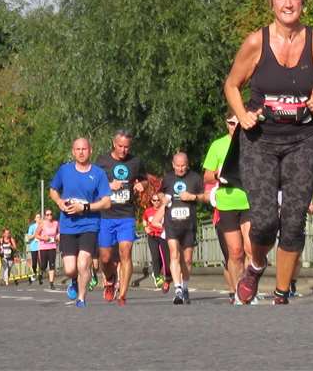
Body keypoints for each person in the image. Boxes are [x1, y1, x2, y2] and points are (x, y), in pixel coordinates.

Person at [224, 0, 313, 305]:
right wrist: (242, 114)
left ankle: (281, 294)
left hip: (302, 139)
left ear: (302, 2)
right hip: (260, 139)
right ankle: (257, 265)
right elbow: (232, 85)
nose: (288, 4)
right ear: (272, 5)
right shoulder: (255, 42)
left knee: (293, 220)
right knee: (263, 222)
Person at [49, 136, 114, 308]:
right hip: (68, 225)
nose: (81, 152)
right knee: (70, 269)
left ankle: (81, 298)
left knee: (84, 262)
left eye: (84, 149)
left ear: (90, 150)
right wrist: (59, 202)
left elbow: (107, 202)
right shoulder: (65, 170)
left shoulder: (98, 174)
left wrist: (84, 208)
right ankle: (74, 281)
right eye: (78, 149)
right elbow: (53, 190)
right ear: (73, 152)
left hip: (89, 224)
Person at [94, 130, 153, 306]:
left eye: (127, 147)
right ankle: (110, 279)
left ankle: (123, 295)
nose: (123, 150)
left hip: (126, 215)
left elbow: (144, 180)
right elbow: (93, 185)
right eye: (120, 146)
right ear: (114, 144)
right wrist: (108, 185)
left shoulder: (135, 162)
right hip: (106, 215)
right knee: (105, 258)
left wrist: (141, 185)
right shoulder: (102, 161)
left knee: (125, 252)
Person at [202, 114, 252, 302]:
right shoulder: (218, 145)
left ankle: (249, 288)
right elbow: (206, 176)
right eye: (231, 123)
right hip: (227, 201)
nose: (235, 126)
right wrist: (217, 174)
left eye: (238, 123)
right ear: (226, 124)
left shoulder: (252, 143)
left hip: (249, 200)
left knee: (251, 249)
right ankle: (238, 291)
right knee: (236, 252)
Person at [159, 151, 200, 305]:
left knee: (187, 260)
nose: (181, 169)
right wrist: (163, 198)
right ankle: (177, 290)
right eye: (178, 166)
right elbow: (160, 193)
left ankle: (185, 286)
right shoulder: (168, 178)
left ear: (187, 164)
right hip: (171, 224)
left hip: (189, 224)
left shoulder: (195, 178)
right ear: (173, 165)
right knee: (174, 254)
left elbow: (204, 196)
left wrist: (193, 197)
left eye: (183, 166)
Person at [35, 209, 59, 290]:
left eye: (51, 214)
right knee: (44, 265)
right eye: (47, 214)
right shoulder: (42, 224)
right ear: (45, 216)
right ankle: (41, 274)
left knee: (52, 265)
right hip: (44, 247)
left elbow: (58, 232)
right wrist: (43, 238)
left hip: (52, 246)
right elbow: (36, 235)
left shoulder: (56, 223)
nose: (49, 216)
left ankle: (51, 283)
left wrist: (58, 236)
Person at [24, 213, 41, 286]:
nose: (39, 218)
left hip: (41, 246)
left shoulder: (43, 226)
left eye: (40, 217)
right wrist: (35, 234)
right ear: (35, 219)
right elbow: (29, 237)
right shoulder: (32, 227)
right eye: (37, 217)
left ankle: (40, 275)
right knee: (34, 263)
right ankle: (34, 273)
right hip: (34, 246)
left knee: (41, 262)